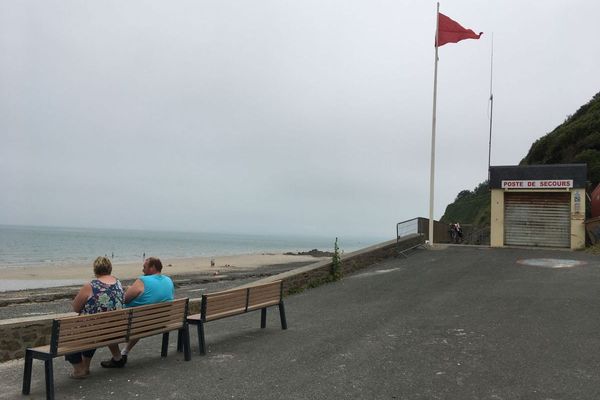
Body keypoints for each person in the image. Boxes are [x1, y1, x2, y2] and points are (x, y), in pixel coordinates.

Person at [100, 257, 174, 368]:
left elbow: (124, 299)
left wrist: (129, 289)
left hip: (137, 323)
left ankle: (117, 358)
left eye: (144, 267)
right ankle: (124, 352)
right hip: (159, 321)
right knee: (141, 318)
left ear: (152, 267)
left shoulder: (143, 280)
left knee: (106, 325)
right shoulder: (168, 280)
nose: (142, 270)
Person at [65, 256, 124, 378]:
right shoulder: (118, 283)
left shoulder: (91, 286)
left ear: (95, 269)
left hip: (95, 330)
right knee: (93, 330)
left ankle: (79, 370)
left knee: (68, 337)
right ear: (110, 269)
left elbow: (76, 308)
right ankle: (85, 367)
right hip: (114, 329)